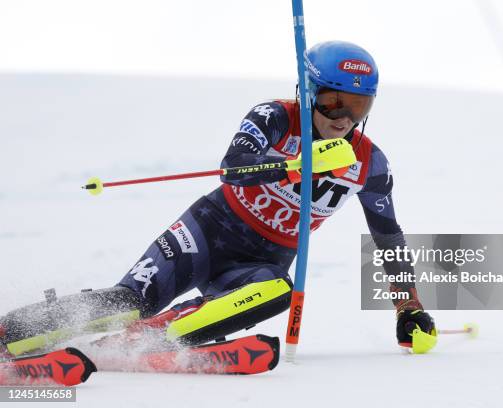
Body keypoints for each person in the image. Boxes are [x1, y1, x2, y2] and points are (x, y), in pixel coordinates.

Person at [1, 41, 435, 357]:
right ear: (307, 91)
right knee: (129, 301)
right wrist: (294, 163)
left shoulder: (369, 164)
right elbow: (233, 165)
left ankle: (149, 339)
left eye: (357, 106)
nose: (343, 118)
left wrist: (407, 307)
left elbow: (388, 238)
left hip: (261, 261)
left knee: (275, 290)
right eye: (332, 101)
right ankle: (11, 333)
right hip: (205, 232)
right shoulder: (274, 116)